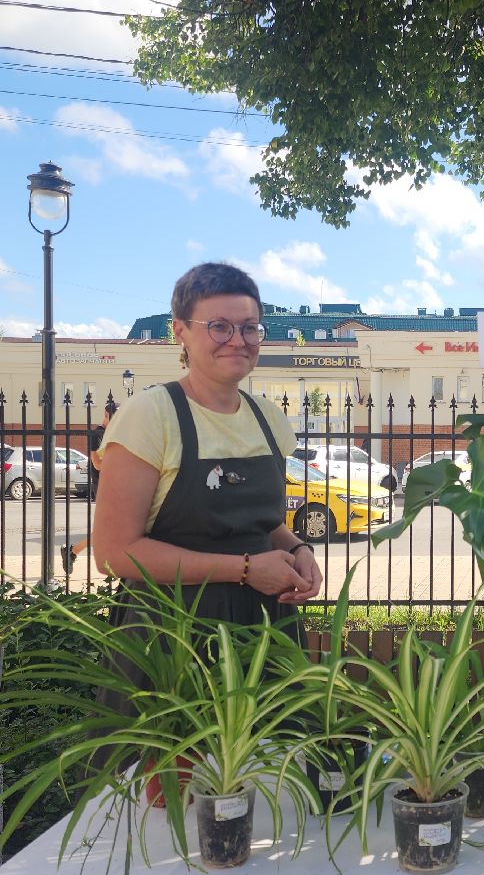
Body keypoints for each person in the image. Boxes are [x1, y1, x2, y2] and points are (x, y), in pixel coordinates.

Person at [92, 263, 321, 668]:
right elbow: (114, 553)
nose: (238, 340)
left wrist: (298, 548)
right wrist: (246, 569)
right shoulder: (150, 415)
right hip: (171, 634)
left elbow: (260, 522)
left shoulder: (269, 418)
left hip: (266, 627)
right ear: (180, 331)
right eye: (219, 326)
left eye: (250, 327)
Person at [60, 405, 116, 576]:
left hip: (117, 485)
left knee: (111, 529)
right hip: (103, 486)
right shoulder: (97, 434)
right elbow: (97, 463)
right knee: (109, 529)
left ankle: (73, 551)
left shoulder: (116, 432)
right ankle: (74, 551)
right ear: (106, 415)